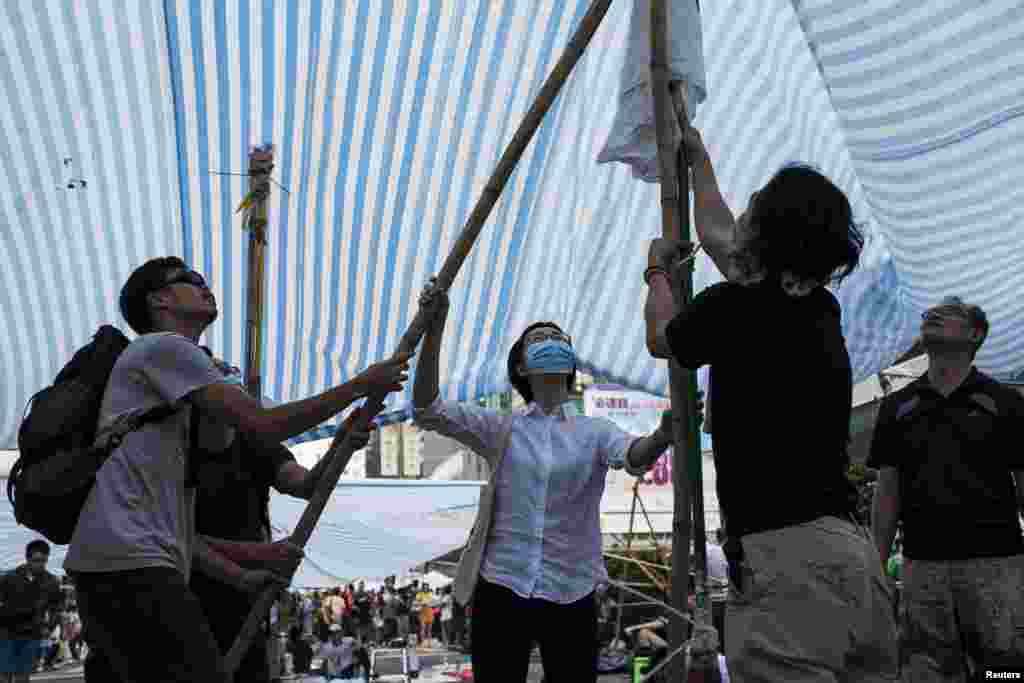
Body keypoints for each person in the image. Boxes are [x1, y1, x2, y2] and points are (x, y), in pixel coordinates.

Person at [64, 256, 412, 683]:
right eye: (190, 280)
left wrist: (241, 576)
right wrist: (361, 385)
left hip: (130, 568)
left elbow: (180, 532)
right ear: (159, 299)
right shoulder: (163, 347)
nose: (204, 286)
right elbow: (265, 423)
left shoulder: (176, 433)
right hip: (128, 569)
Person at [643, 127, 898, 681]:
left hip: (785, 563)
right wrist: (699, 160)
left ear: (767, 233)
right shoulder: (820, 308)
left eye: (756, 206)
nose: (745, 211)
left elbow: (663, 339)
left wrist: (657, 273)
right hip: (849, 556)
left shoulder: (734, 306)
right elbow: (720, 237)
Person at [413, 284, 675, 683]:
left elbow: (634, 456)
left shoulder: (595, 431)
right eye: (540, 340)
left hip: (572, 590)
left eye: (558, 339)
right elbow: (427, 408)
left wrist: (661, 437)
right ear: (522, 367)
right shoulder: (500, 428)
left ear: (569, 361)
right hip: (501, 585)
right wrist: (435, 329)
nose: (552, 342)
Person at [869, 296, 1024, 677]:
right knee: (928, 671)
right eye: (930, 316)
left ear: (975, 334)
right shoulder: (896, 407)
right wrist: (877, 565)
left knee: (1004, 670)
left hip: (996, 564)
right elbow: (887, 492)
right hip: (922, 567)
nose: (933, 316)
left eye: (948, 314)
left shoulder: (1005, 403)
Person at [0, 540, 63, 683]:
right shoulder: (10, 578)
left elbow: (56, 608)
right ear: (27, 558)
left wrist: (49, 627)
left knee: (23, 676)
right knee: (4, 674)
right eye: (36, 560)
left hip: (31, 634)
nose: (40, 564)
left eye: (44, 561)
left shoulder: (51, 582)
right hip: (6, 632)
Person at [353, 580, 373, 645]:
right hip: (359, 615)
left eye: (362, 585)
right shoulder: (355, 594)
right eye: (360, 585)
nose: (361, 586)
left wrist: (370, 611)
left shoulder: (366, 594)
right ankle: (360, 644)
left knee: (366, 630)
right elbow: (354, 605)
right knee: (359, 630)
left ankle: (366, 644)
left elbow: (369, 604)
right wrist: (355, 615)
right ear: (358, 586)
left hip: (366, 615)